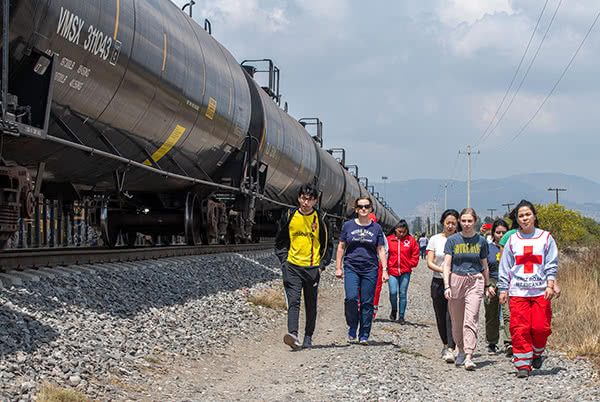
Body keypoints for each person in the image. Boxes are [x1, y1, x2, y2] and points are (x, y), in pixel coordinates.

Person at [498, 200, 558, 378]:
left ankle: (537, 352)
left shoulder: (546, 238)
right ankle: (523, 364)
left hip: (540, 291)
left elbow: (551, 263)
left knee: (540, 327)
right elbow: (505, 266)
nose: (525, 218)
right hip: (518, 292)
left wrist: (550, 284)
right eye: (521, 216)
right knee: (519, 328)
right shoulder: (512, 240)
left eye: (527, 214)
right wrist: (503, 289)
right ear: (517, 219)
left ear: (534, 216)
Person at [275, 184, 333, 349]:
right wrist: (284, 261)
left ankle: (308, 336)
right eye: (303, 198)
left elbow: (328, 244)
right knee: (293, 301)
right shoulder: (289, 215)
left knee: (311, 303)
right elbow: (280, 240)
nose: (306, 202)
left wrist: (321, 265)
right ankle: (293, 334)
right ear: (299, 198)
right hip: (292, 266)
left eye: (309, 199)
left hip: (312, 268)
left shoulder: (321, 219)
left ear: (315, 201)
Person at [443, 208, 493, 371]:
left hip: (475, 280)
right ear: (459, 222)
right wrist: (447, 285)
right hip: (456, 279)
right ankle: (461, 349)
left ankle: (470, 355)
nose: (466, 224)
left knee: (471, 318)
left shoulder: (481, 241)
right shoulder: (452, 241)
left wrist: (487, 285)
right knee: (457, 321)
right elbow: (447, 265)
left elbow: (485, 265)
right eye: (463, 221)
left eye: (469, 221)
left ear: (475, 222)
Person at [336, 196, 388, 344]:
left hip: (370, 268)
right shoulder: (348, 226)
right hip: (351, 266)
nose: (363, 209)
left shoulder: (376, 228)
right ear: (356, 209)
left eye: (366, 206)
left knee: (367, 302)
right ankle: (352, 325)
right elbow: (341, 246)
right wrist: (338, 267)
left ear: (371, 209)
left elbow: (380, 249)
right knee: (351, 298)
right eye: (360, 207)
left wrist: (385, 270)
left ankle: (364, 333)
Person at [426, 209, 460, 363]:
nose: (451, 226)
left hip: (456, 282)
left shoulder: (461, 239)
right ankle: (445, 344)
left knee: (451, 315)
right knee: (440, 315)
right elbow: (430, 262)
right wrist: (444, 270)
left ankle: (453, 347)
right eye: (448, 223)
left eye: (453, 223)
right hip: (438, 282)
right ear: (442, 223)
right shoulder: (434, 239)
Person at [484, 219, 511, 356]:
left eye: (504, 232)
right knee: (491, 313)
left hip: (508, 282)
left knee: (508, 313)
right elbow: (484, 267)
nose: (501, 235)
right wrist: (487, 285)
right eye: (498, 232)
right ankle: (492, 342)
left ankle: (509, 342)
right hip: (492, 280)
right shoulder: (488, 248)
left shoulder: (512, 246)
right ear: (493, 233)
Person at [386, 220, 419, 323]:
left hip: (405, 271)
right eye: (399, 231)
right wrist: (385, 267)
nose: (401, 234)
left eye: (404, 232)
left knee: (403, 293)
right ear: (395, 229)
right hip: (392, 270)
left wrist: (411, 264)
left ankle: (401, 316)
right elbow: (384, 253)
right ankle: (394, 309)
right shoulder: (389, 240)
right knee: (393, 292)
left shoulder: (411, 241)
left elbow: (415, 253)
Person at [369, 213, 389, 319]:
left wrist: (384, 266)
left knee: (376, 289)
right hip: (364, 263)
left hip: (377, 264)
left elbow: (385, 250)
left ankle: (373, 311)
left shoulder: (380, 233)